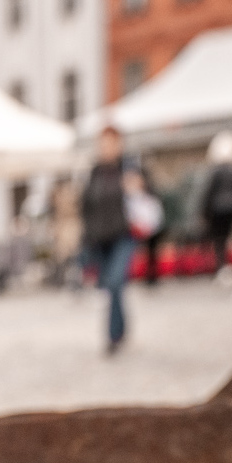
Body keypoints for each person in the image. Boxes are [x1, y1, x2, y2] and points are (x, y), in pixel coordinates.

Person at [79, 125, 137, 355]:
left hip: (124, 236)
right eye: (103, 144)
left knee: (114, 282)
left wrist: (138, 186)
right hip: (99, 240)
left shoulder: (130, 169)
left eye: (111, 143)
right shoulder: (94, 173)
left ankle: (112, 336)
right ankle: (120, 329)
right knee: (110, 288)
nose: (106, 148)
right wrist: (86, 240)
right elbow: (86, 208)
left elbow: (149, 198)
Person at [201, 130, 232, 284]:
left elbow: (209, 192)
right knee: (227, 239)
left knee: (219, 240)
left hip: (217, 211)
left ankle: (221, 267)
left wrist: (205, 212)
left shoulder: (215, 171)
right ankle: (227, 267)